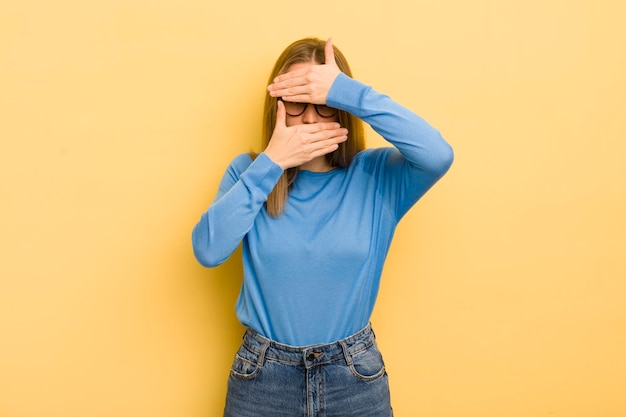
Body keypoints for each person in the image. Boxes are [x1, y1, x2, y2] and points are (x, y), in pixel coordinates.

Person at [192, 37, 454, 417]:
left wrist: (347, 91)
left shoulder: (376, 176)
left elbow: (437, 154)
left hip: (354, 378)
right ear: (277, 107)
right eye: (297, 102)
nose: (311, 118)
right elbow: (208, 250)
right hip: (263, 379)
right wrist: (273, 162)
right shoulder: (249, 172)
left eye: (325, 104)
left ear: (343, 110)